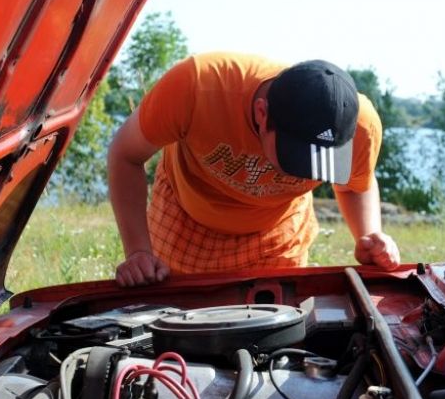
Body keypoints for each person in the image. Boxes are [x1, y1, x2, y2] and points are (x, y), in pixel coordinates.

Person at [107, 52, 401, 287]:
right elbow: (126, 155)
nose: (300, 175)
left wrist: (370, 237)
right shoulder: (198, 85)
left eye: (314, 163)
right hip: (185, 219)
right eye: (294, 158)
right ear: (262, 113)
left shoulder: (358, 128)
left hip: (275, 235)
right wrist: (138, 252)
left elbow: (352, 184)